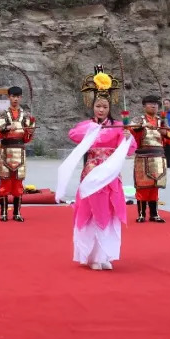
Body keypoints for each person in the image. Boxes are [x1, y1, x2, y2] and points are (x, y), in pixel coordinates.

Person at [57, 66, 135, 271]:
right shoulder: (87, 126)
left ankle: (105, 255)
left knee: (109, 211)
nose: (101, 110)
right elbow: (73, 134)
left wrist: (128, 137)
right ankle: (91, 256)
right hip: (92, 172)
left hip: (110, 174)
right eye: (98, 106)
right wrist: (93, 129)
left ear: (110, 108)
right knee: (91, 211)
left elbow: (129, 150)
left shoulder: (118, 125)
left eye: (105, 107)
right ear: (93, 106)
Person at [0, 86, 35, 222]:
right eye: (13, 96)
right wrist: (6, 128)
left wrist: (29, 133)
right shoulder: (2, 114)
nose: (15, 99)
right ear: (8, 97)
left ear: (20, 98)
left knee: (18, 184)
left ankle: (17, 213)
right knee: (5, 183)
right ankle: (3, 213)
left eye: (17, 96)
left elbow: (27, 139)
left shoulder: (26, 116)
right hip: (6, 151)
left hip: (20, 151)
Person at [130, 95, 170, 223]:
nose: (154, 106)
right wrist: (143, 126)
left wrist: (165, 132)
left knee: (155, 186)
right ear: (144, 106)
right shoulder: (139, 120)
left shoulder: (162, 122)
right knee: (142, 187)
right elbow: (131, 131)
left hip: (158, 157)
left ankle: (154, 214)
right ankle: (141, 214)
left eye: (156, 104)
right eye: (150, 103)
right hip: (143, 158)